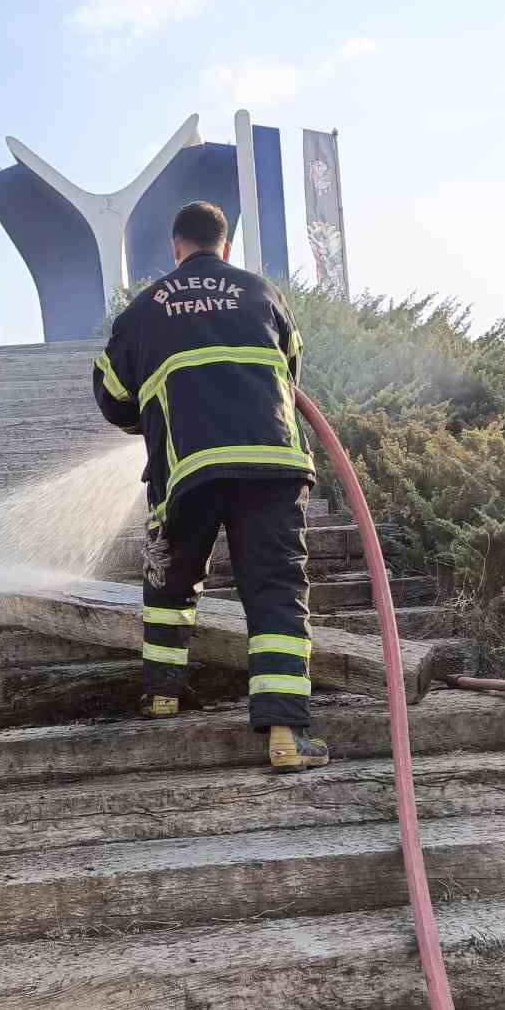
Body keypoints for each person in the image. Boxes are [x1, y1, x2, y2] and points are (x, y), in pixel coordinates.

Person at [93, 199, 329, 773]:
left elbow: (110, 395)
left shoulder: (142, 310)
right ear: (224, 246)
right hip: (271, 464)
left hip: (186, 470)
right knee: (274, 590)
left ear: (176, 249)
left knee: (170, 581)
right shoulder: (262, 294)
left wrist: (149, 419)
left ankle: (162, 693)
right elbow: (291, 372)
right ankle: (285, 735)